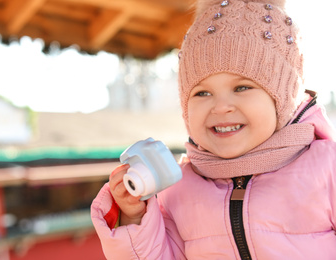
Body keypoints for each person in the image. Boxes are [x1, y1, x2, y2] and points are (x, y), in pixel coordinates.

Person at [91, 0, 336, 259]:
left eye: (242, 87)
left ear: (283, 97)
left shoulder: (327, 168)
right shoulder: (179, 190)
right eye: (202, 92)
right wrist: (134, 218)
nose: (220, 107)